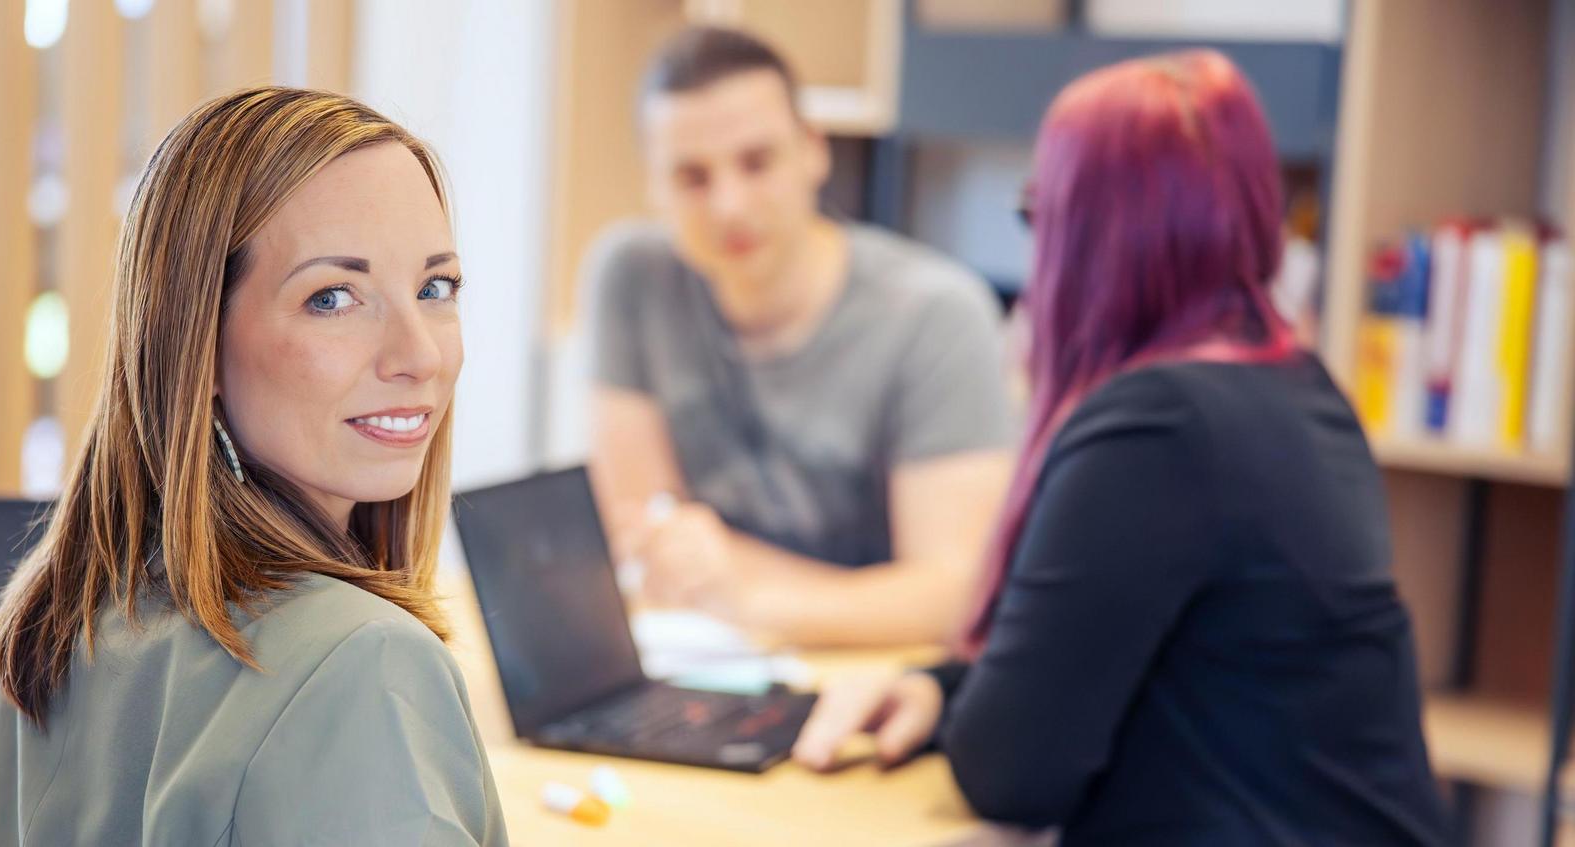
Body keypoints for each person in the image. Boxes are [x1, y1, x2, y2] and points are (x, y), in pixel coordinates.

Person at [792, 51, 1450, 845]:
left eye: (1039, 214)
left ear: (1081, 232)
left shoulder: (1154, 428)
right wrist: (938, 688)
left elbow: (1010, 772)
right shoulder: (1296, 389)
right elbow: (1116, 658)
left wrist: (960, 705)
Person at [0, 88, 505, 846]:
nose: (419, 354)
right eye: (334, 297)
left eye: (434, 287)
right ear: (198, 341)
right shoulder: (364, 665)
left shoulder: (44, 620)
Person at [584, 26, 1014, 647]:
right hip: (705, 661)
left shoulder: (938, 314)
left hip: (874, 683)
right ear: (651, 184)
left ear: (814, 150)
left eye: (757, 163)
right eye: (692, 177)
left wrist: (737, 591)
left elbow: (954, 596)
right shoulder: (630, 275)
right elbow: (640, 536)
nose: (729, 205)